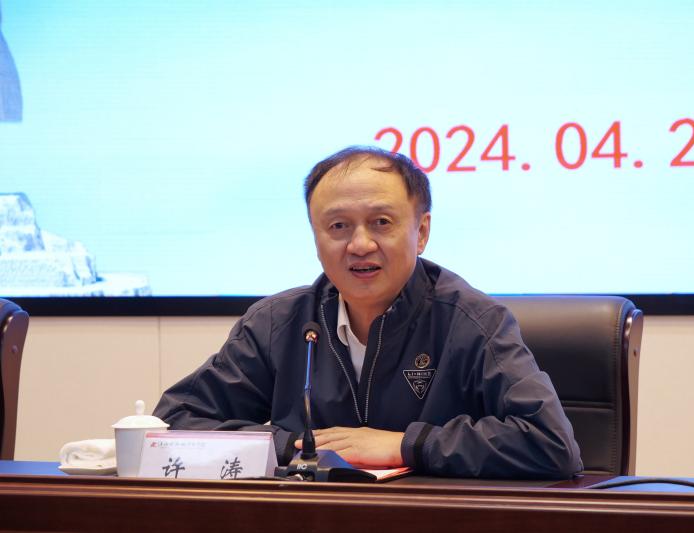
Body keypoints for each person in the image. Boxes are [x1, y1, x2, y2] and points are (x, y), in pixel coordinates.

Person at [154, 146, 582, 478]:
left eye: (381, 222)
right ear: (316, 238)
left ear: (421, 232)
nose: (360, 244)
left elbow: (552, 445)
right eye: (338, 226)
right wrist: (295, 446)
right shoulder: (276, 323)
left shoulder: (472, 321)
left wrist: (405, 445)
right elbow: (174, 425)